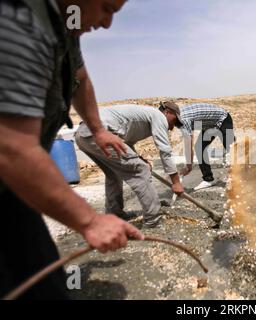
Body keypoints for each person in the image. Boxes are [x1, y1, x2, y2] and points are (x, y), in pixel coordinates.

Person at [0, 0, 143, 299]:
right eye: (106, 8)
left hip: (14, 187)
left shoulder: (67, 26)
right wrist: (89, 222)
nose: (107, 24)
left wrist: (99, 129)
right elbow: (10, 147)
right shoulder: (20, 21)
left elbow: (80, 77)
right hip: (12, 169)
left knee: (44, 281)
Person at [75, 102, 185, 228]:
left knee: (114, 174)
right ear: (168, 112)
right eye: (174, 121)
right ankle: (153, 220)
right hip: (98, 133)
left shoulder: (144, 116)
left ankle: (114, 214)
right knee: (141, 170)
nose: (172, 128)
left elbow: (127, 143)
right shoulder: (158, 116)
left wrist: (139, 158)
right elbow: (165, 151)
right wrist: (176, 182)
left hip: (84, 135)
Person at [179, 103, 235, 191]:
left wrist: (188, 166)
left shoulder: (183, 119)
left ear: (168, 113)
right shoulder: (179, 116)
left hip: (223, 118)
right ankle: (208, 179)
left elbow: (188, 142)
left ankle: (241, 177)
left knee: (232, 149)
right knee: (199, 147)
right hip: (209, 124)